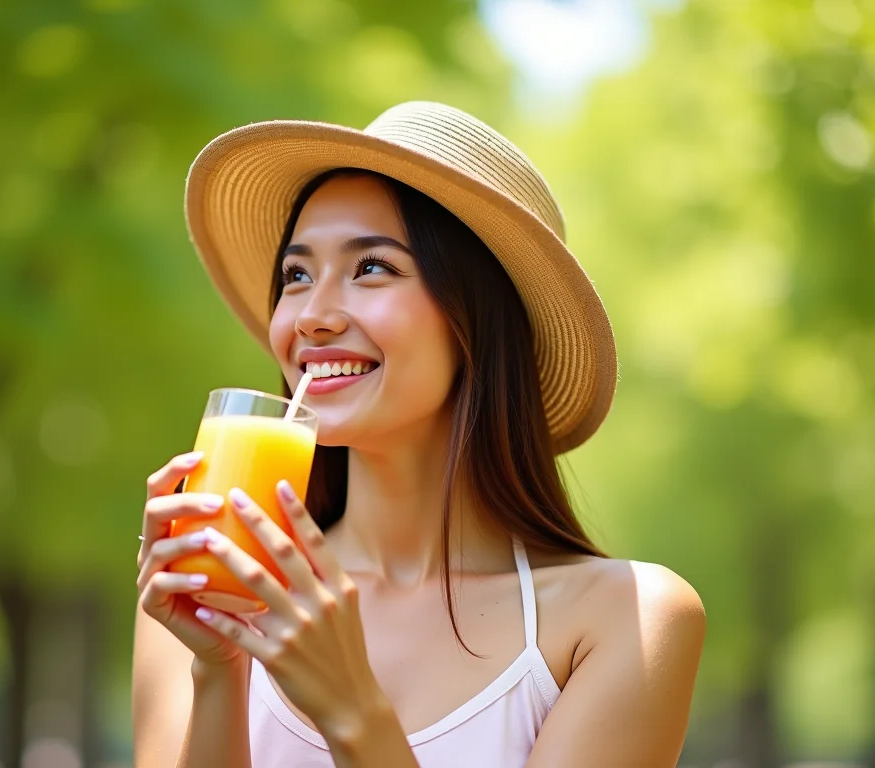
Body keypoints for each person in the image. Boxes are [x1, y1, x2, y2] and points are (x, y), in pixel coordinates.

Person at [132, 101, 705, 767]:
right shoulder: (204, 591)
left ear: (475, 319)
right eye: (296, 275)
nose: (312, 316)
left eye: (372, 267)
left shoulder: (625, 622)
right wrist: (219, 669)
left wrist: (352, 708)